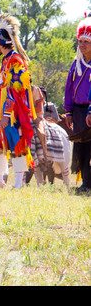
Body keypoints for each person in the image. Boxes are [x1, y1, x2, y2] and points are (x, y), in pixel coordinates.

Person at [0, 8, 36, 189]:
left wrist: (7, 114)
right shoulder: (6, 60)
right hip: (0, 109)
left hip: (13, 112)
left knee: (17, 142)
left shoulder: (15, 60)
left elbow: (16, 90)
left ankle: (19, 182)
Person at [64, 12, 91, 194]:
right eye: (80, 41)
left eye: (86, 42)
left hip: (90, 111)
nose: (82, 45)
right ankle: (86, 183)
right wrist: (68, 112)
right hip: (79, 112)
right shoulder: (77, 64)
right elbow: (69, 88)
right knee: (81, 148)